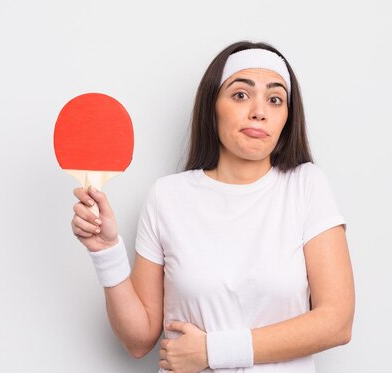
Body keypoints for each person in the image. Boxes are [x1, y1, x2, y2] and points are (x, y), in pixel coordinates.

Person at [70, 41, 355, 373]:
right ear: (212, 106)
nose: (259, 111)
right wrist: (106, 251)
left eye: (275, 99)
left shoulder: (305, 185)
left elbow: (337, 322)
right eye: (240, 95)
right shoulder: (167, 196)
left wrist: (212, 352)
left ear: (287, 119)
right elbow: (138, 341)